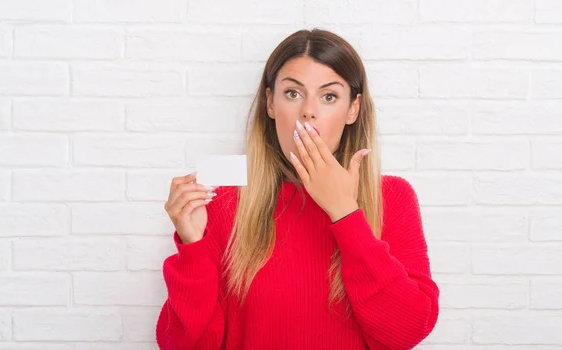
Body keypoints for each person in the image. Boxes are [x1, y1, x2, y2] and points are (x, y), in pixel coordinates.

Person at [157, 28, 440, 350]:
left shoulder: (392, 196)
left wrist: (346, 213)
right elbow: (184, 345)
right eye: (293, 93)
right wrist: (193, 248)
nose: (308, 111)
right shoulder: (224, 202)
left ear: (353, 109)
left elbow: (407, 332)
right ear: (270, 103)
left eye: (329, 96)